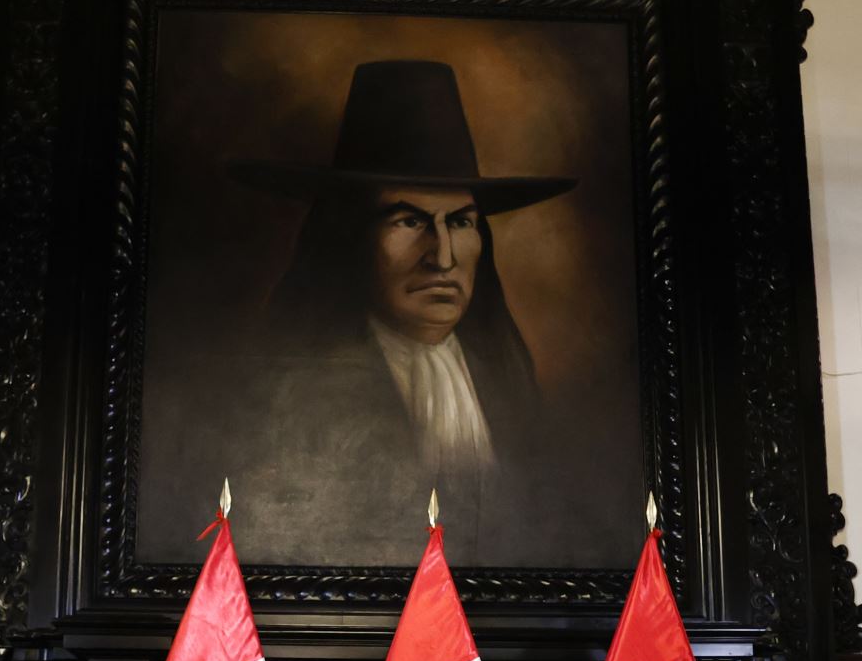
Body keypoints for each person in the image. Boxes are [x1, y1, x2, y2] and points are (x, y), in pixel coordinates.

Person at [212, 60, 586, 565]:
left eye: (460, 222)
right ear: (351, 238)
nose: (443, 256)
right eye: (409, 221)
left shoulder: (509, 384)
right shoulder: (293, 394)